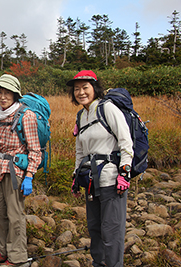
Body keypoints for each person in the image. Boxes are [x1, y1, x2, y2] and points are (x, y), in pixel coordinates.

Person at [67, 70, 133, 267]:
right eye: (77, 89)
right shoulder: (81, 116)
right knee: (95, 227)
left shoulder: (108, 108)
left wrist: (124, 173)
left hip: (112, 179)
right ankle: (99, 263)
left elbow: (125, 141)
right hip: (91, 181)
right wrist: (75, 175)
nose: (81, 93)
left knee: (112, 229)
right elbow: (80, 150)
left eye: (85, 88)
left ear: (94, 88)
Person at [0, 74, 41, 267]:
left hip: (14, 171)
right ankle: (4, 249)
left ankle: (18, 256)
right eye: (0, 93)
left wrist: (29, 175)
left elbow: (35, 149)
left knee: (15, 214)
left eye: (7, 93)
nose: (3, 97)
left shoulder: (25, 115)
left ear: (15, 94)